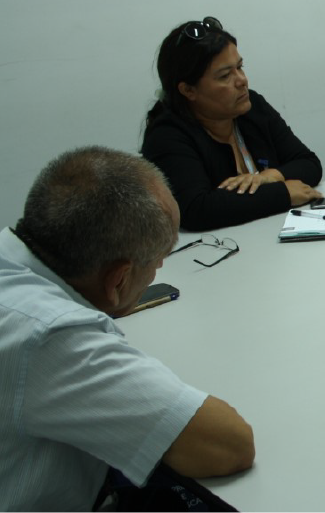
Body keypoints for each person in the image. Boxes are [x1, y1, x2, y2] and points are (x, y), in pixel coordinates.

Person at [0, 146, 254, 512]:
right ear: (118, 279)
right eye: (158, 261)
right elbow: (228, 447)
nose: (158, 270)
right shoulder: (51, 335)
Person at [141, 17, 323, 232]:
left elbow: (309, 164)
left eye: (240, 67)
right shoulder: (167, 135)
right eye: (225, 75)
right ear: (188, 90)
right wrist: (283, 193)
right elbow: (196, 210)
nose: (241, 80)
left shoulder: (252, 106)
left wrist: (270, 177)